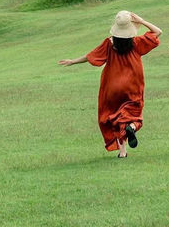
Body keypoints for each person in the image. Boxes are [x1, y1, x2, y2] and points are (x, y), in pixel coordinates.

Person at [59, 11, 162, 157]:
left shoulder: (109, 44)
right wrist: (142, 20)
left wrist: (73, 61)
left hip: (112, 86)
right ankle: (131, 127)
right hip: (133, 83)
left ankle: (122, 152)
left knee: (114, 117)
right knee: (133, 114)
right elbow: (158, 32)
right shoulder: (136, 43)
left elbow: (91, 56)